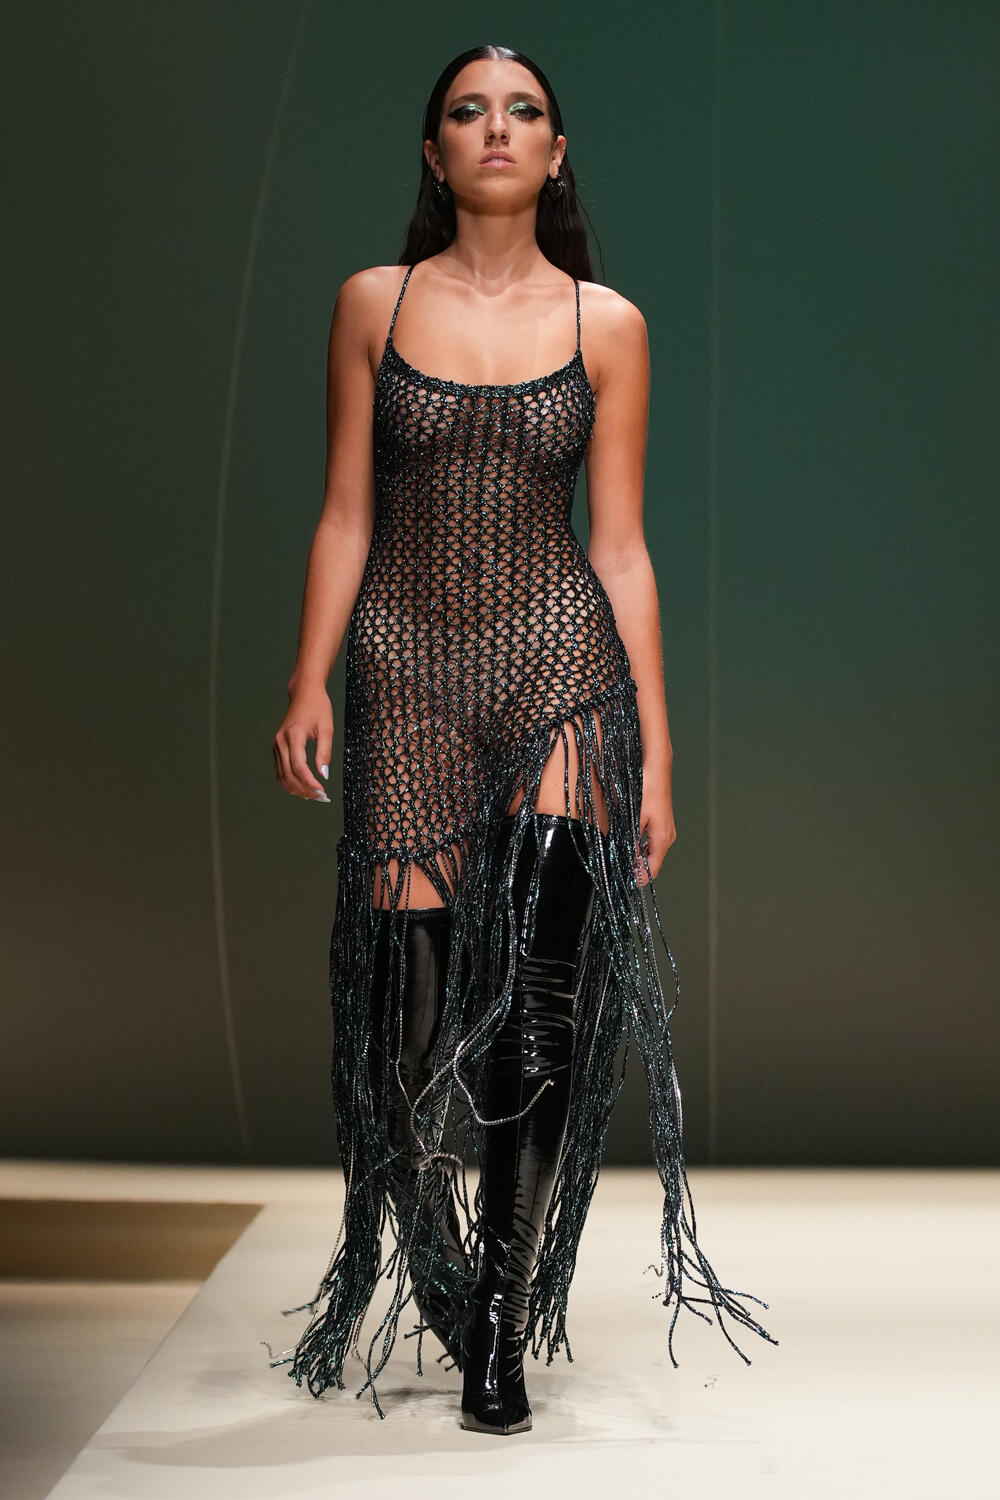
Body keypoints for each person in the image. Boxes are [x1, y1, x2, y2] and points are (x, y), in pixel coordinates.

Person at [268, 43, 776, 1433]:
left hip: (559, 665)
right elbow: (345, 513)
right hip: (405, 672)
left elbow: (621, 547)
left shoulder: (608, 324)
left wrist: (654, 746)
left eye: (525, 111)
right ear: (436, 154)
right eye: (469, 111)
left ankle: (498, 1309)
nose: (497, 128)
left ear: (556, 154)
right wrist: (309, 679)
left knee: (536, 1001)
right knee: (401, 1013)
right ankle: (440, 1262)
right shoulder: (372, 303)